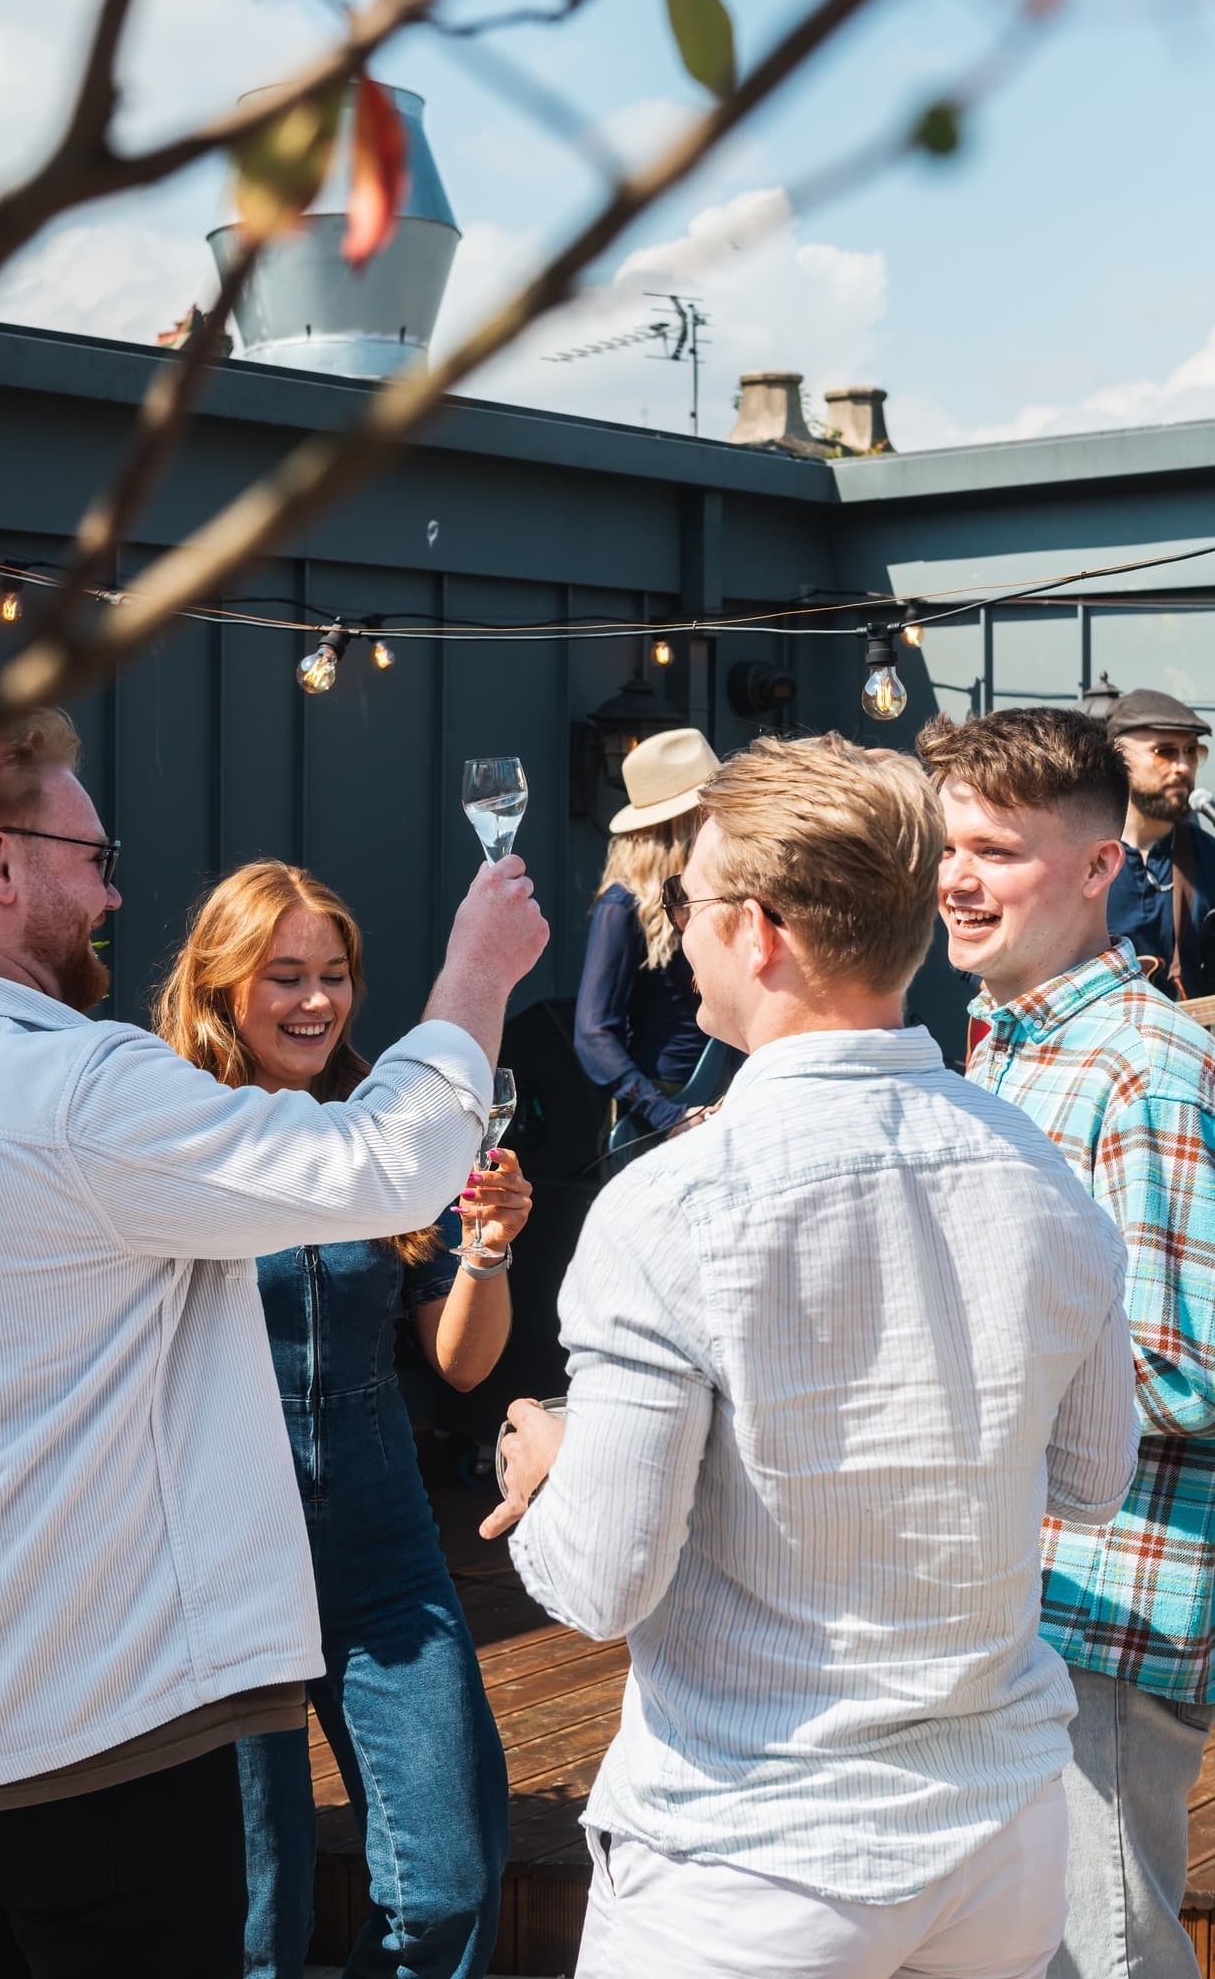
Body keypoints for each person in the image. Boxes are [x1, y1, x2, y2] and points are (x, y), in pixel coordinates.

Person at [0, 709, 547, 1979]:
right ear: (0, 865)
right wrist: (477, 971)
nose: (114, 888)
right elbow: (389, 1159)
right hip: (98, 1742)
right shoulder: (76, 1088)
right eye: (92, 854)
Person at [486, 731, 1136, 1979]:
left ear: (761, 932)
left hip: (757, 1851)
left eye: (691, 902)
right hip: (997, 1833)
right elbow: (1092, 1476)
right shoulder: (1039, 1169)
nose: (678, 926)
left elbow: (604, 1585)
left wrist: (551, 1467)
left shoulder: (675, 1202)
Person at [153, 861, 527, 1979]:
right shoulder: (167, 1134)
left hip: (381, 1537)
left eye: (335, 974)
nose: (317, 1001)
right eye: (285, 976)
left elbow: (460, 1362)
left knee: (452, 1876)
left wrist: (489, 1250)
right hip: (221, 1552)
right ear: (223, 983)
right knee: (255, 1917)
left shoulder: (388, 1129)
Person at [919, 704, 1215, 1979]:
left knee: (1110, 1950)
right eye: (950, 846)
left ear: (1101, 866)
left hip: (1109, 1605)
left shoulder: (1144, 1068)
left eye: (997, 849)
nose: (956, 878)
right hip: (1014, 1589)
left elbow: (1183, 1369)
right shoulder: (1003, 1045)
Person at [573, 727, 718, 1138]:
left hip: (728, 1092)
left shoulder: (717, 890)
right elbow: (593, 1033)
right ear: (689, 820)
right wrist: (665, 1114)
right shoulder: (622, 905)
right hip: (672, 1101)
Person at [1104, 686, 1215, 999]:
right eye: (1165, 753)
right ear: (1119, 759)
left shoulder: (1207, 857)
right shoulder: (1072, 857)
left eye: (1192, 751)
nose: (1183, 766)